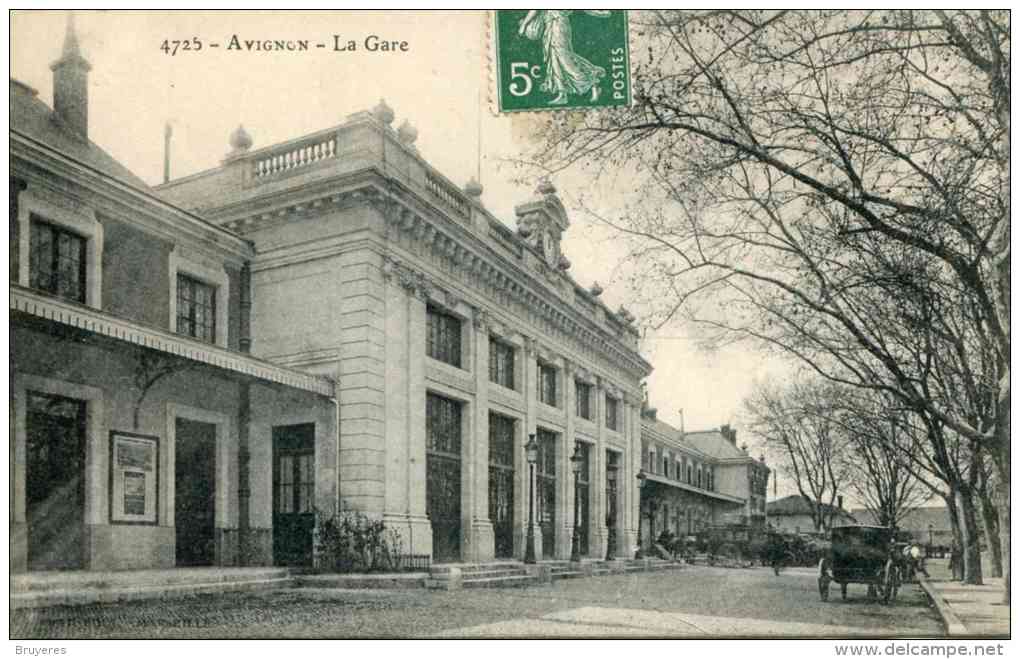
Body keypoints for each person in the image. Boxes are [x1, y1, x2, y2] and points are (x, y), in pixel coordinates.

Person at [518, 10, 609, 105]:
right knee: (554, 59)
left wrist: (524, 24)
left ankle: (593, 83)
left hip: (559, 25)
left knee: (565, 60)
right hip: (550, 25)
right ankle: (562, 94)